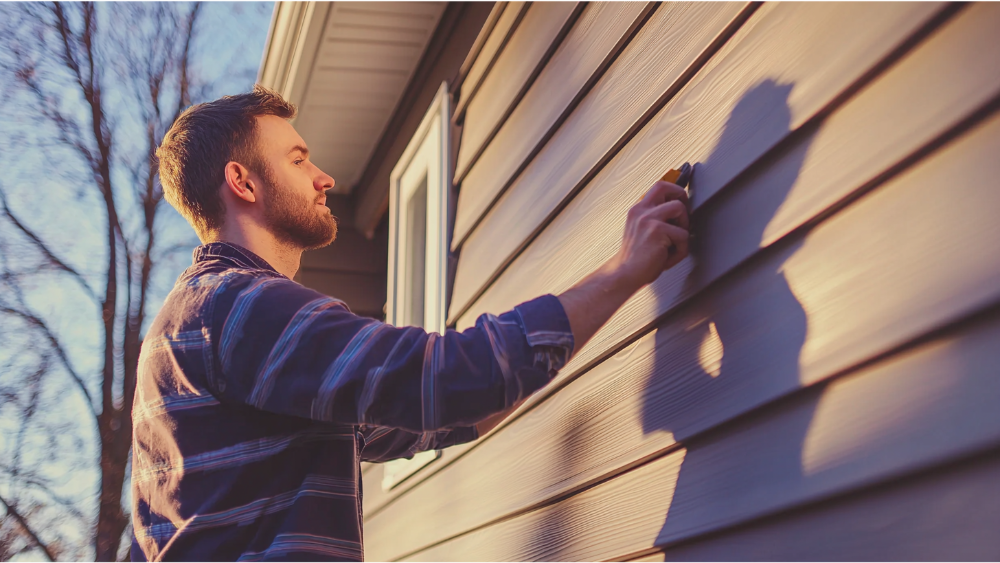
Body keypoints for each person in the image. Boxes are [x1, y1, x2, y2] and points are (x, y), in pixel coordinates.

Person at [132, 85, 690, 562]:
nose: (324, 178)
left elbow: (455, 411)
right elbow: (447, 378)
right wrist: (624, 269)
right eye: (298, 160)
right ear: (243, 181)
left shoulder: (199, 321)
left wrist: (592, 309)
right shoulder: (239, 306)